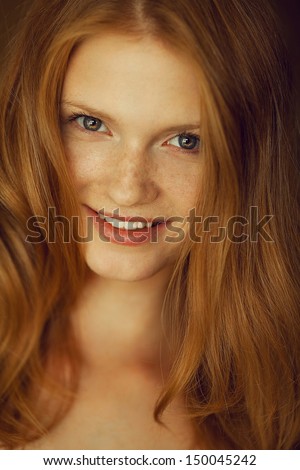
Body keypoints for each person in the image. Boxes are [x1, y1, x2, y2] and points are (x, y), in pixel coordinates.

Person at [0, 0, 299, 450]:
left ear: (251, 162)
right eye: (91, 123)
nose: (128, 189)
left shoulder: (282, 397)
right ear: (34, 123)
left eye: (185, 141)